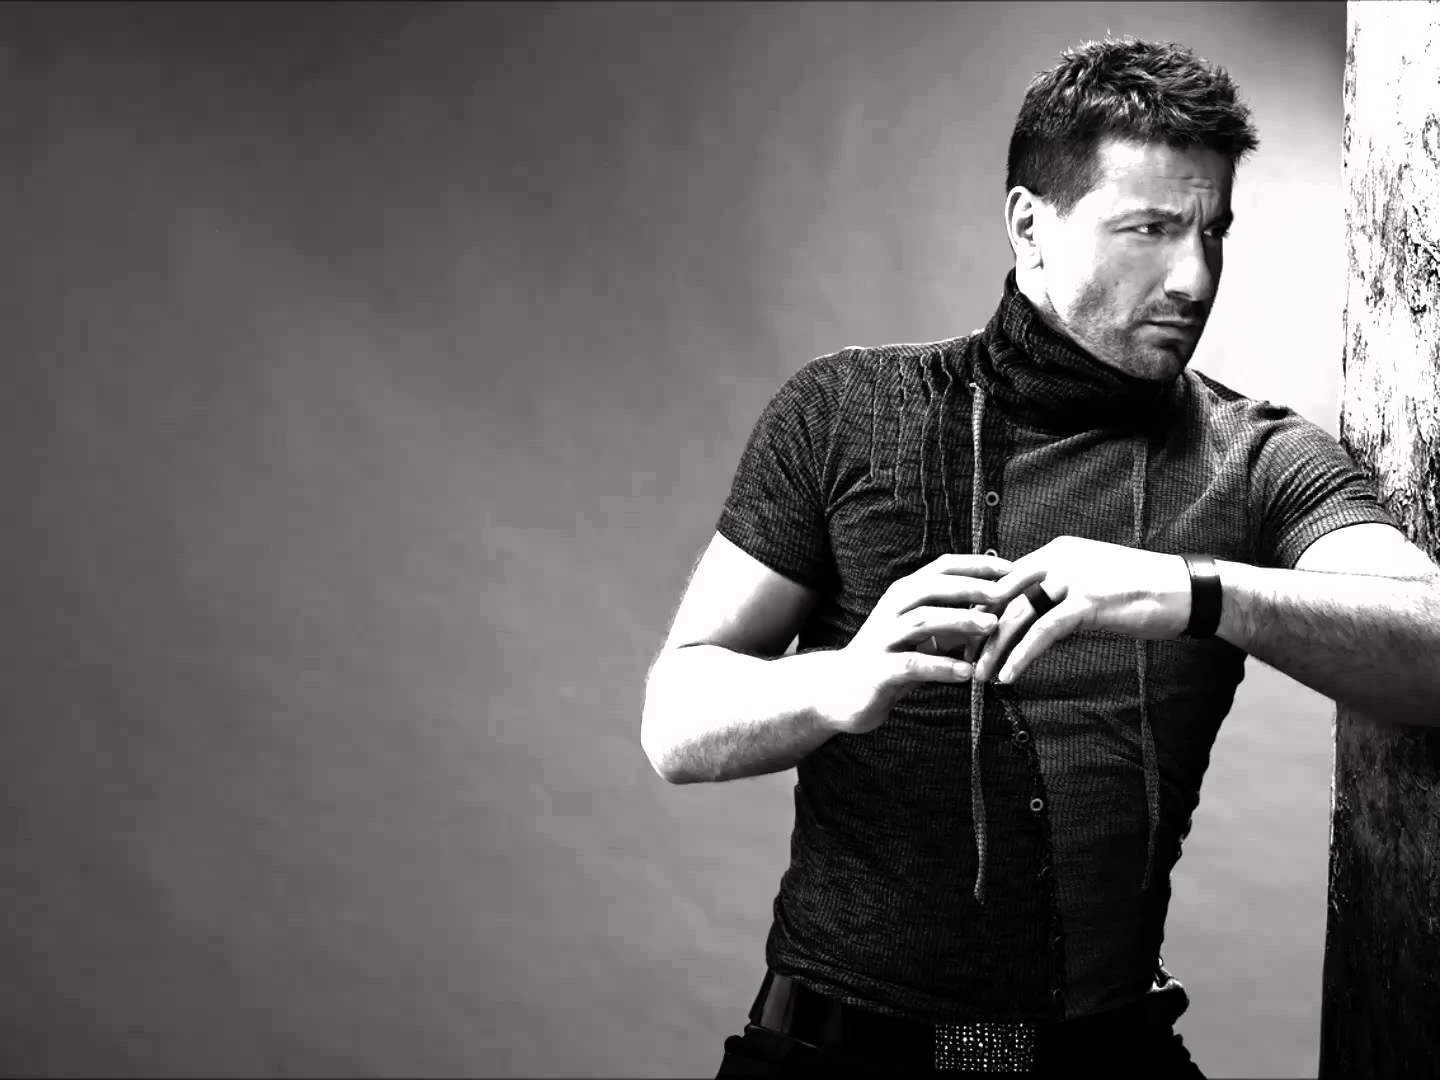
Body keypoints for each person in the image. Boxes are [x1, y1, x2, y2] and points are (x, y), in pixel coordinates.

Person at [639, 36, 1440, 1079]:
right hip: (828, 1055)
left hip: (1103, 1059)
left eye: (1212, 232)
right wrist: (836, 683)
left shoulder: (1256, 460)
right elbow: (676, 724)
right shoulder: (843, 412)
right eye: (1150, 229)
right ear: (1030, 226)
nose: (1194, 277)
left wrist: (1195, 591)